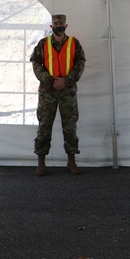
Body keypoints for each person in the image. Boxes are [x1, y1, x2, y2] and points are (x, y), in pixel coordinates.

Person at [30, 14, 86, 176]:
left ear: (66, 26)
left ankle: (71, 161)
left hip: (67, 91)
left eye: (61, 23)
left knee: (70, 126)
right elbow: (36, 64)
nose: (58, 26)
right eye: (55, 23)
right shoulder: (43, 44)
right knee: (44, 126)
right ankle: (41, 162)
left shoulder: (74, 44)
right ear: (51, 26)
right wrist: (49, 80)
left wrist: (67, 80)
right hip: (48, 91)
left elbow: (80, 64)